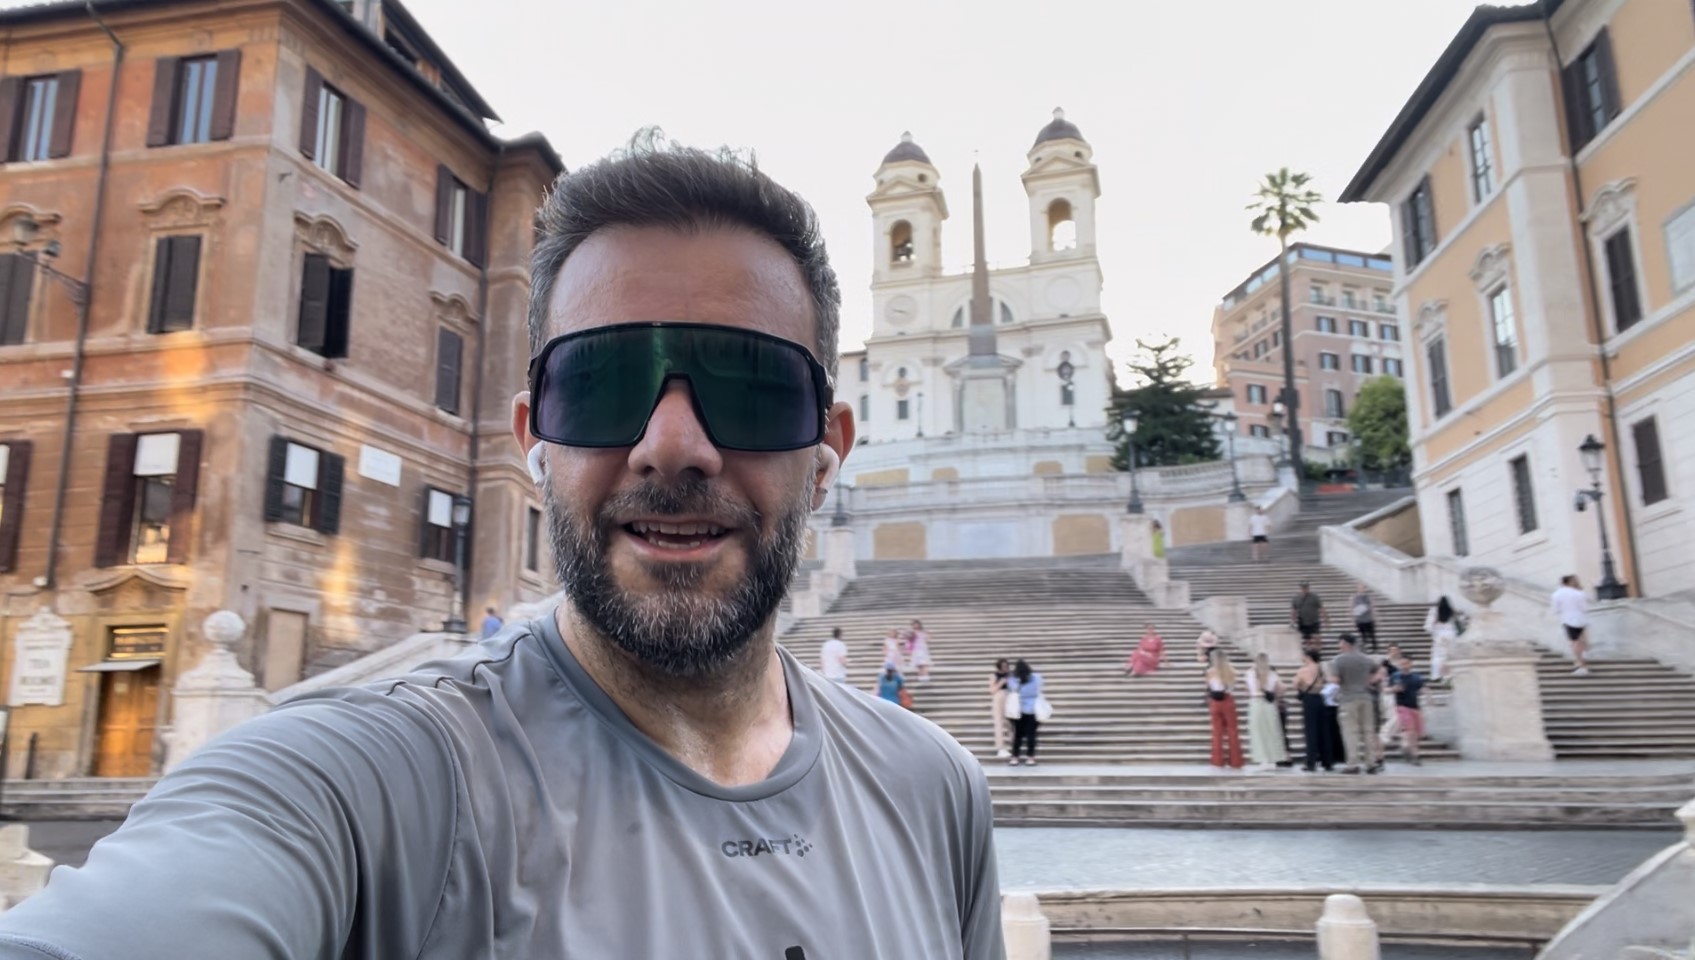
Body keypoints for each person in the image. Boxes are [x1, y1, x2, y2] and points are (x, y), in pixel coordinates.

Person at [0, 140, 1004, 958]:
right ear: (533, 435)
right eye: (606, 383)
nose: (673, 446)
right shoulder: (376, 781)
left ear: (828, 450)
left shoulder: (937, 790)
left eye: (748, 387)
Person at [1332, 633, 1383, 774]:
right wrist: (1370, 681)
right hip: (1366, 697)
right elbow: (1379, 671)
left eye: (1340, 643)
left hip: (1348, 698)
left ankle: (1353, 763)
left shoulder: (1338, 660)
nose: (1339, 645)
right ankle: (1371, 763)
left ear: (1345, 643)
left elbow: (1335, 680)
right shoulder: (1366, 659)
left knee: (1350, 732)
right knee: (1368, 731)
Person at [1294, 649, 1336, 772]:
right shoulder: (1321, 668)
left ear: (1308, 657)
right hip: (1320, 698)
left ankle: (1311, 762)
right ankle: (1327, 761)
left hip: (1309, 699)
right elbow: (1327, 682)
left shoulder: (1303, 670)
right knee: (1324, 730)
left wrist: (1303, 686)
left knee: (1311, 730)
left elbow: (1295, 684)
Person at [1245, 653, 1289, 769]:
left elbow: (1248, 690)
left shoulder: (1250, 673)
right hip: (1269, 704)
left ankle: (1262, 759)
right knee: (1272, 731)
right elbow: (1283, 687)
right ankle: (1273, 759)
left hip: (1256, 702)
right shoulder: (1272, 674)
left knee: (1258, 733)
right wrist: (1275, 694)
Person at [1204, 649, 1245, 770]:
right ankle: (1235, 761)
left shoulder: (1210, 672)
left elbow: (1208, 686)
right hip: (1228, 699)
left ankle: (1218, 760)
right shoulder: (1231, 671)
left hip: (1215, 701)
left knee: (1217, 732)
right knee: (1232, 731)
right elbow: (1233, 687)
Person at [1389, 653, 1426, 766]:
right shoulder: (1395, 676)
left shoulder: (1416, 676)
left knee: (1417, 733)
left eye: (1406, 663)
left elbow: (1422, 687)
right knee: (1410, 731)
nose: (1404, 665)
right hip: (1402, 706)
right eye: (1402, 663)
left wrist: (1427, 694)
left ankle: (1405, 746)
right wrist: (1394, 689)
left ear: (1410, 664)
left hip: (1414, 706)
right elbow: (1387, 689)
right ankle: (1415, 755)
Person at [1006, 659, 1044, 766]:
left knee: (1017, 735)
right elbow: (1039, 688)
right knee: (1032, 735)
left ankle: (1015, 757)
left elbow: (1011, 690)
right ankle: (1030, 757)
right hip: (1033, 710)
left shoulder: (1013, 679)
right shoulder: (1036, 678)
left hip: (1017, 711)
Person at [1551, 575, 1591, 676]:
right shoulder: (1580, 593)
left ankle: (1581, 664)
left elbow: (1556, 609)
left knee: (1574, 642)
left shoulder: (1557, 594)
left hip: (1568, 619)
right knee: (1581, 640)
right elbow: (1584, 608)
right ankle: (1582, 659)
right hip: (1581, 618)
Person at [1424, 595, 1460, 683]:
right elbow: (1455, 624)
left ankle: (1437, 674)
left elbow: (1428, 627)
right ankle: (1448, 675)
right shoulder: (1451, 611)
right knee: (1448, 657)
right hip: (1450, 635)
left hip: (1439, 636)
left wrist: (1434, 630)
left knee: (1438, 656)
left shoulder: (1434, 611)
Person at [1291, 582, 1328, 650]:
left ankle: (1318, 648)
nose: (1304, 589)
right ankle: (1309, 650)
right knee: (1306, 637)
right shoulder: (1296, 598)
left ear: (1308, 588)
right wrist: (1293, 621)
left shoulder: (1314, 597)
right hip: (1303, 621)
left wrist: (1326, 619)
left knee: (1316, 635)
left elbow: (1321, 608)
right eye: (1303, 588)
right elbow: (1294, 610)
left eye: (1306, 588)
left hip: (1314, 619)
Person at [990, 659, 1012, 758]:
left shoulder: (1011, 675)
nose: (1005, 668)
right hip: (999, 696)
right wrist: (1001, 682)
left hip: (1010, 697)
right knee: (999, 722)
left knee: (1011, 722)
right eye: (1003, 666)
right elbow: (992, 690)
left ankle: (1012, 743)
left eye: (1006, 666)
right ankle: (1000, 747)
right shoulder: (994, 676)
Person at [1351, 584, 1378, 653]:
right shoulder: (1354, 598)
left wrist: (1375, 616)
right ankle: (1364, 648)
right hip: (1360, 619)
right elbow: (1352, 607)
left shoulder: (1368, 597)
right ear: (1357, 589)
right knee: (1363, 635)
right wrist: (1352, 618)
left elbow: (1372, 606)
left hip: (1368, 619)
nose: (1361, 589)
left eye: (1362, 588)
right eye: (1359, 588)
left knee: (1372, 634)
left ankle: (1374, 648)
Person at [906, 619, 933, 683]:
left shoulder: (922, 632)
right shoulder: (912, 632)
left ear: (919, 625)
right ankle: (920, 676)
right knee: (919, 664)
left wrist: (928, 634)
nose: (916, 625)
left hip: (922, 648)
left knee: (924, 663)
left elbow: (928, 638)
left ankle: (926, 676)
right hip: (916, 649)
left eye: (917, 624)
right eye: (914, 624)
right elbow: (909, 640)